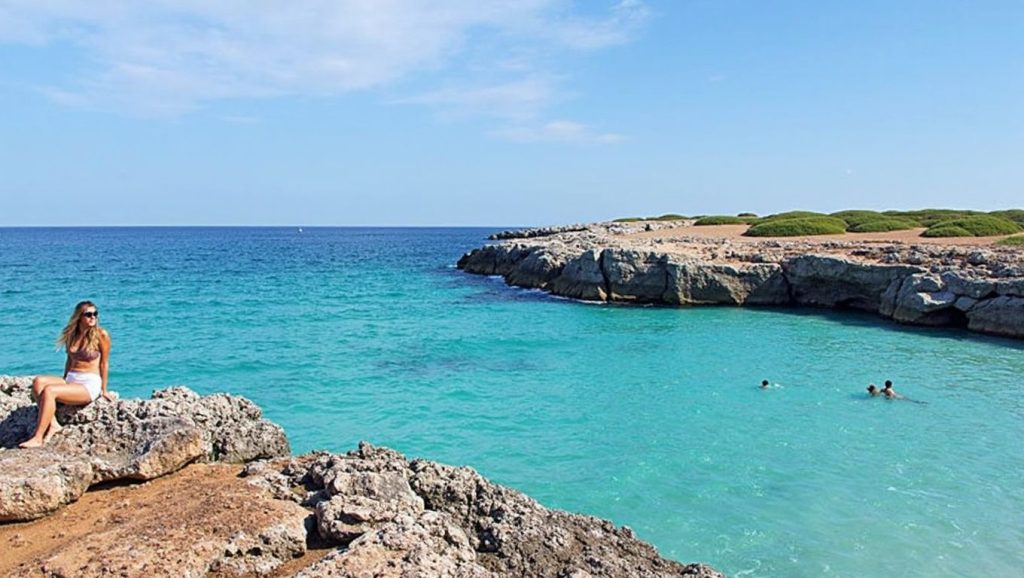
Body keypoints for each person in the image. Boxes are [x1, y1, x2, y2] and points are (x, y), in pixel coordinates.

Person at [19, 301, 115, 448]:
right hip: (71, 379)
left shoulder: (101, 335)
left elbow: (104, 363)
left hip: (89, 383)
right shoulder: (72, 335)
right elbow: (69, 360)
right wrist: (64, 380)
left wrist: (104, 390)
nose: (93, 317)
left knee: (50, 391)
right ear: (79, 317)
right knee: (38, 382)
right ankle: (53, 424)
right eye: (88, 314)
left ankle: (38, 438)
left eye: (95, 314)